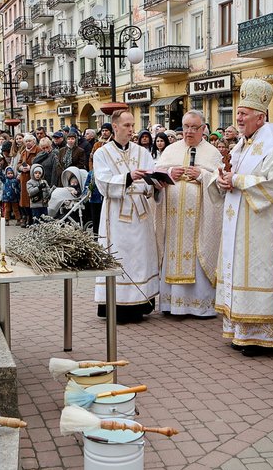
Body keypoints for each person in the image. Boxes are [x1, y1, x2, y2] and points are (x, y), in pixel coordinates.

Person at [211, 79, 273, 355]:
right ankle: (241, 331)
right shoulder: (241, 146)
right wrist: (222, 180)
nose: (238, 118)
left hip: (261, 228)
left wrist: (237, 180)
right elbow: (230, 176)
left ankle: (263, 336)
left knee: (256, 272)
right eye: (238, 113)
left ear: (261, 117)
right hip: (238, 223)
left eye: (244, 114)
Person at [93, 109, 161, 321]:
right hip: (116, 216)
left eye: (132, 125)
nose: (132, 129)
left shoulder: (142, 152)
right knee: (120, 256)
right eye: (127, 126)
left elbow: (151, 181)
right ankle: (117, 305)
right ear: (114, 127)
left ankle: (142, 302)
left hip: (140, 214)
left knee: (140, 256)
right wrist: (129, 177)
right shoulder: (101, 153)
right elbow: (103, 183)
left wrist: (158, 183)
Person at [154, 110, 223, 318]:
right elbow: (155, 179)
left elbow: (221, 185)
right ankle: (172, 304)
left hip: (199, 221)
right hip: (173, 221)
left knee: (197, 256)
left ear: (203, 129)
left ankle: (199, 305)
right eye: (186, 127)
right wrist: (167, 174)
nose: (189, 132)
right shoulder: (170, 151)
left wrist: (202, 175)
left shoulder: (212, 153)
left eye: (194, 127)